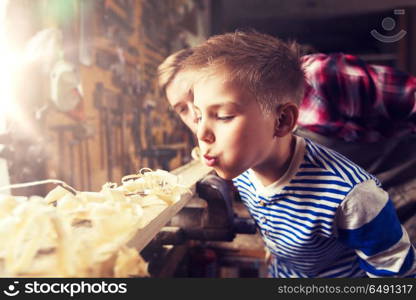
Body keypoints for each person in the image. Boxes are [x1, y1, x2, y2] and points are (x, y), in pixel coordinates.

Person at [170, 30, 416, 278]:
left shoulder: (350, 197)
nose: (201, 133)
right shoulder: (246, 167)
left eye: (223, 115)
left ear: (282, 121)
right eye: (199, 115)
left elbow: (393, 273)